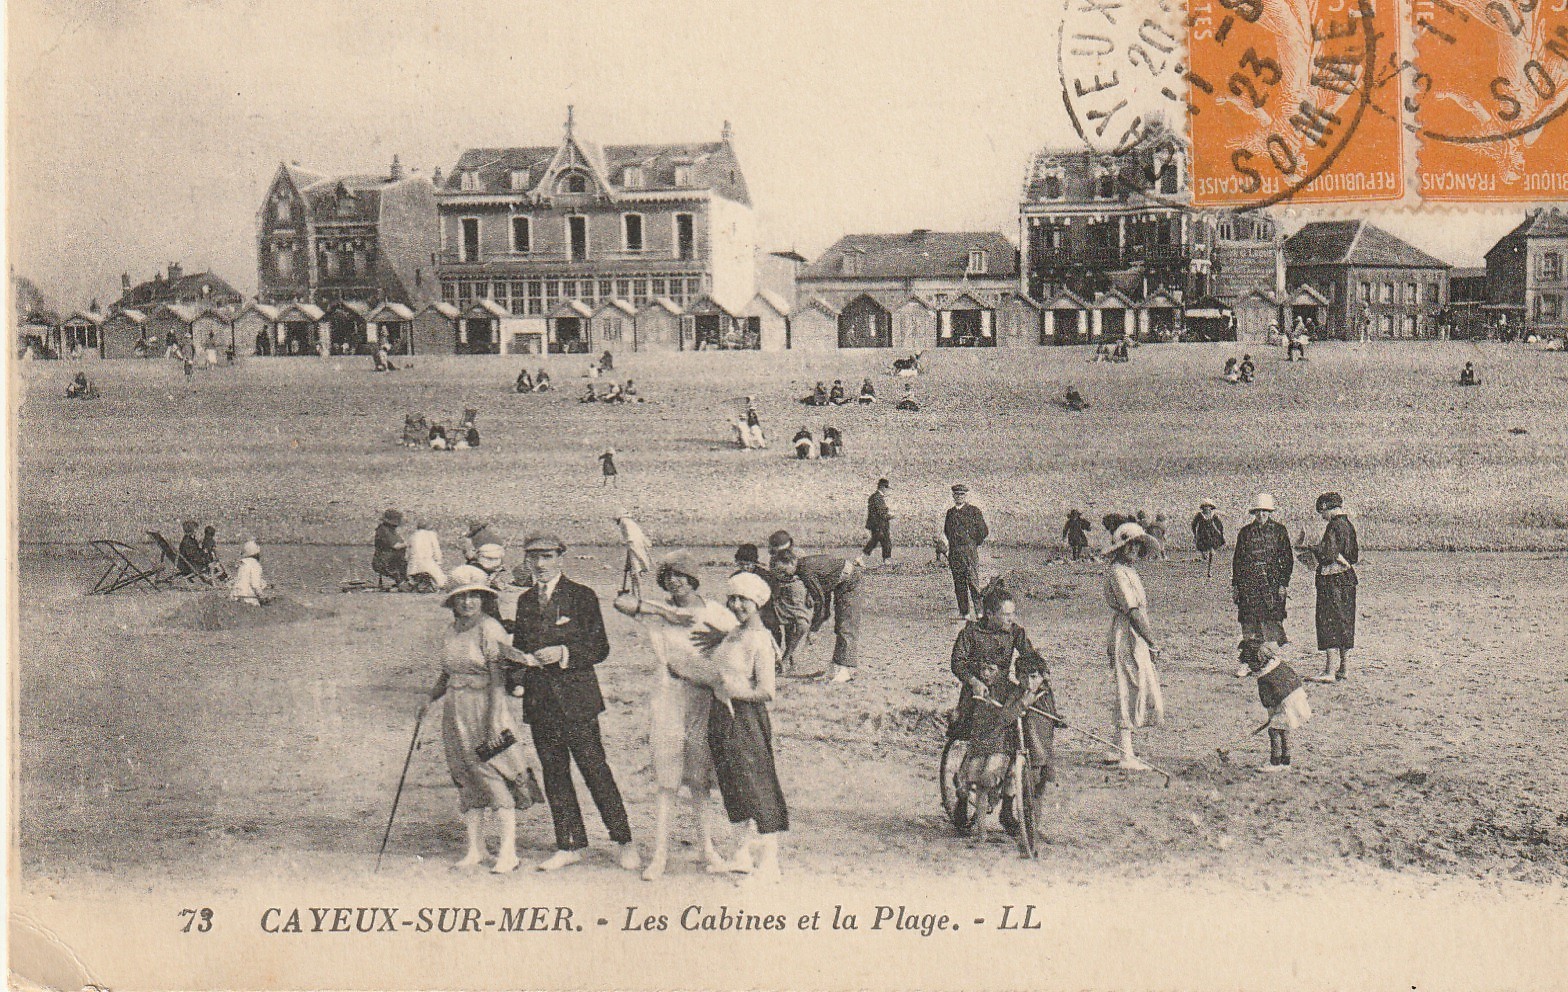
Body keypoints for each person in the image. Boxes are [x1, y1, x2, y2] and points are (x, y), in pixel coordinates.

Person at [507, 533, 639, 873]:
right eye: (533, 557)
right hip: (540, 703)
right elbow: (520, 649)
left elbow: (600, 647)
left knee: (595, 770)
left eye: (547, 556)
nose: (540, 564)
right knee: (554, 774)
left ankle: (624, 840)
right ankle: (569, 843)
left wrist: (563, 652)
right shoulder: (524, 601)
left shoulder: (582, 596)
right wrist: (518, 673)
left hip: (577, 702)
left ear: (561, 558)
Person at [611, 553, 736, 880]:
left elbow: (741, 643)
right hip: (668, 696)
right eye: (668, 576)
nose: (674, 581)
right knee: (667, 779)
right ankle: (660, 855)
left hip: (704, 698)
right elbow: (621, 603)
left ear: (694, 578)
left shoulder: (717, 613)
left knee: (699, 779)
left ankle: (707, 848)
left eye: (681, 575)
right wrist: (667, 611)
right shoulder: (659, 614)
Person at [427, 577, 540, 872]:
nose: (468, 603)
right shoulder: (451, 631)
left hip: (487, 707)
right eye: (461, 597)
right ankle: (475, 848)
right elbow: (447, 672)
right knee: (465, 771)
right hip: (456, 709)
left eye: (474, 596)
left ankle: (508, 852)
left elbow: (497, 679)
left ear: (484, 599)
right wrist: (428, 698)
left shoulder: (490, 629)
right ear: (453, 602)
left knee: (492, 770)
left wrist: (493, 721)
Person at [697, 572, 790, 881]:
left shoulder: (760, 639)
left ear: (758, 602)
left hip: (746, 718)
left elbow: (767, 691)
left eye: (743, 600)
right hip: (721, 716)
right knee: (731, 782)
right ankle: (741, 851)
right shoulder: (733, 633)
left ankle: (770, 859)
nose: (736, 605)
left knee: (756, 782)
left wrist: (730, 691)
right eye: (733, 599)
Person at [948, 586, 1055, 840]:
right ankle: (963, 797)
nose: (1010, 619)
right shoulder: (971, 633)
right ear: (990, 614)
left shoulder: (1015, 633)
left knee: (1015, 742)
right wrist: (973, 681)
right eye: (1006, 614)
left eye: (1012, 614)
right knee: (978, 745)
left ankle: (1007, 811)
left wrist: (1041, 673)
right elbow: (957, 662)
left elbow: (1029, 656)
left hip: (1003, 693)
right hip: (976, 696)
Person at [1103, 522, 1165, 770]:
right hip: (1127, 632)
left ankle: (1116, 746)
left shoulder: (1129, 571)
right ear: (1121, 548)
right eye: (1130, 545)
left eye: (1138, 545)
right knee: (1128, 685)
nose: (1134, 549)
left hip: (1134, 633)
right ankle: (1126, 753)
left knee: (1133, 684)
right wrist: (1152, 640)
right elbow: (1132, 610)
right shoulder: (1118, 572)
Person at [1304, 492, 1359, 684]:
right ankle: (1344, 668)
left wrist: (1312, 548)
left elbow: (1329, 553)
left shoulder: (1333, 526)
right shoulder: (1349, 526)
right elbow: (1353, 556)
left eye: (1322, 512)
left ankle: (1329, 670)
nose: (1322, 516)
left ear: (1328, 507)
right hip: (1348, 580)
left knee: (1328, 621)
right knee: (1345, 621)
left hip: (1332, 580)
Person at [788, 549, 864, 683]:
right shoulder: (804, 566)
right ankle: (836, 667)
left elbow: (820, 602)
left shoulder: (805, 571)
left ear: (789, 562)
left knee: (846, 625)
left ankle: (846, 670)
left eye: (783, 571)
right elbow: (825, 597)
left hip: (850, 580)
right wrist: (818, 623)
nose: (784, 576)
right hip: (841, 582)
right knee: (841, 624)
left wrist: (814, 629)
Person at [1237, 639, 1312, 772]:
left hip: (1286, 706)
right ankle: (1285, 761)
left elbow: (1268, 702)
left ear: (1257, 662)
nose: (1250, 668)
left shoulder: (1265, 678)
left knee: (1274, 730)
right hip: (1298, 700)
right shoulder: (1280, 665)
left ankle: (1275, 763)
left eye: (1249, 664)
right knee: (1285, 730)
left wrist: (1272, 717)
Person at [1232, 493, 1294, 647]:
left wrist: (1283, 584)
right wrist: (1236, 585)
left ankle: (1270, 653)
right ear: (1254, 513)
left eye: (1264, 511)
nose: (1261, 514)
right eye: (1258, 511)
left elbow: (1287, 559)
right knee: (1249, 618)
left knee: (1271, 616)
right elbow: (1238, 560)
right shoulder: (1245, 532)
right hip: (1249, 581)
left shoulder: (1279, 531)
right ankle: (1251, 654)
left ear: (1270, 512)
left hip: (1272, 581)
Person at [944, 484, 989, 620]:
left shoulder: (974, 511)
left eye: (962, 494)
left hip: (969, 552)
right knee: (959, 583)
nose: (959, 497)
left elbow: (983, 531)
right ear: (953, 496)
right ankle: (964, 612)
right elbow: (947, 531)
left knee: (973, 582)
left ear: (966, 496)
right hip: (955, 552)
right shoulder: (950, 513)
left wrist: (973, 543)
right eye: (957, 494)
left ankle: (980, 612)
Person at [767, 550, 813, 675]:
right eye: (779, 572)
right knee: (776, 627)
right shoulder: (774, 566)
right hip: (780, 603)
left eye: (784, 572)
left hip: (797, 600)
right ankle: (779, 658)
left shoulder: (802, 568)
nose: (782, 574)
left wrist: (809, 594)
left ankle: (788, 657)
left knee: (800, 626)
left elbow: (812, 583)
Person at [614, 509, 653, 599]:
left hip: (635, 548)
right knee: (634, 571)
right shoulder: (630, 522)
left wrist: (631, 549)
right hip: (635, 547)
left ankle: (639, 596)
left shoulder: (625, 523)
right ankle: (635, 594)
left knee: (635, 571)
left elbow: (630, 538)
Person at [408, 517, 448, 592]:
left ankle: (419, 583)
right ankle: (427, 584)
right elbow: (436, 550)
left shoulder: (413, 535)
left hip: (413, 566)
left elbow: (408, 553)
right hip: (427, 564)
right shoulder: (431, 535)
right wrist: (439, 562)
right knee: (442, 583)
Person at [373, 509, 409, 588]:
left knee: (404, 563)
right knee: (401, 564)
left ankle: (403, 580)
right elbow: (395, 546)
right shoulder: (384, 530)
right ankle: (401, 581)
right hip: (385, 561)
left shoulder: (390, 530)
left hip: (390, 559)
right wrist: (409, 543)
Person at [1191, 500, 1227, 577]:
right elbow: (1194, 524)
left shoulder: (1213, 515)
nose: (1207, 508)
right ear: (1203, 508)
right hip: (1202, 535)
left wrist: (1221, 533)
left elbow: (1219, 525)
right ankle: (1203, 554)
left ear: (1211, 507)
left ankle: (1209, 570)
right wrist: (1195, 534)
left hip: (1211, 535)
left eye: (1208, 506)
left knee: (1212, 553)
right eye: (1205, 507)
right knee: (1203, 551)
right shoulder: (1199, 515)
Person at [230, 540, 271, 605]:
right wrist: (262, 597)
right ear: (256, 554)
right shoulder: (255, 565)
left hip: (235, 596)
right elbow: (255, 585)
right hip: (247, 597)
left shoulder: (243, 564)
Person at [863, 478, 894, 561]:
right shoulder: (877, 497)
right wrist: (890, 516)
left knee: (877, 541)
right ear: (883, 487)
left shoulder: (874, 497)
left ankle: (861, 558)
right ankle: (886, 560)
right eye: (887, 488)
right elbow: (880, 512)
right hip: (879, 524)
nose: (887, 491)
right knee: (884, 541)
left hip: (876, 524)